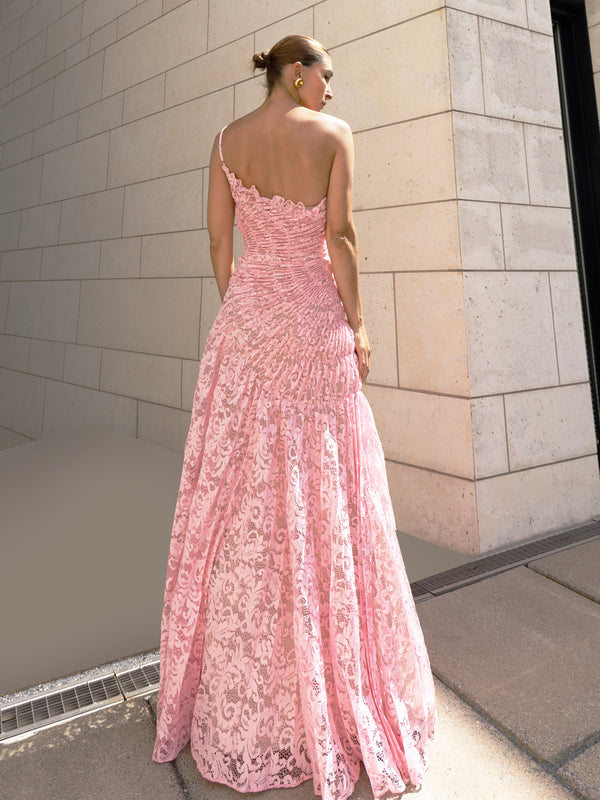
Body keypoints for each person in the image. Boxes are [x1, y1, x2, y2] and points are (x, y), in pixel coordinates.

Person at [152, 34, 436, 800]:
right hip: (314, 325)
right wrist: (362, 325)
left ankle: (252, 701)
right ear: (295, 72)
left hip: (246, 327)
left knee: (239, 501)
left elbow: (219, 240)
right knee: (328, 496)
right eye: (326, 76)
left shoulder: (224, 142)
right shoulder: (334, 138)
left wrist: (245, 309)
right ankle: (325, 693)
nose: (332, 93)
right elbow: (339, 237)